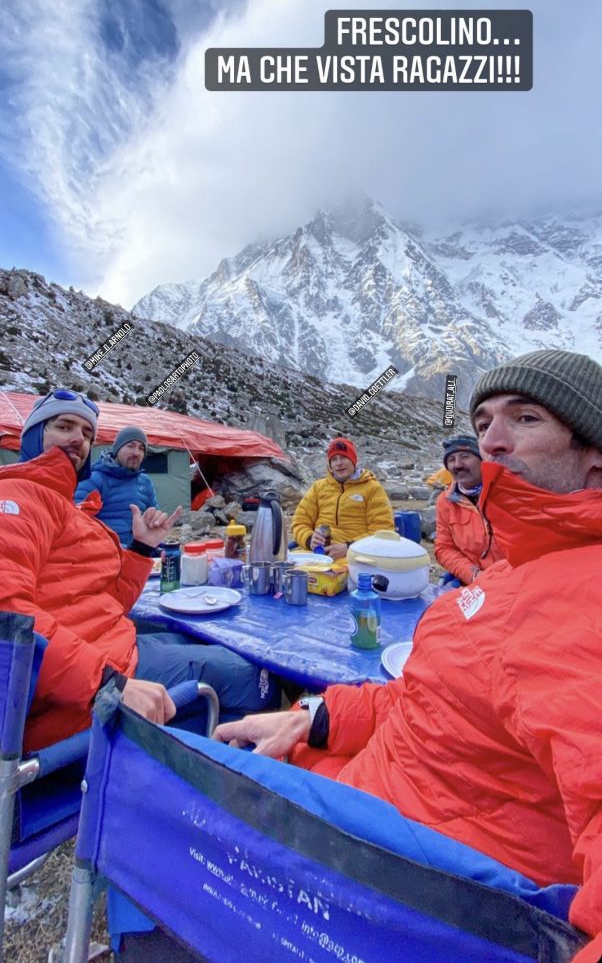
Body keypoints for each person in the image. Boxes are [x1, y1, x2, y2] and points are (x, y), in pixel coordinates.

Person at [215, 350, 602, 961]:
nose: (491, 442)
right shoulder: (519, 573)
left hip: (397, 885)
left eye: (526, 418)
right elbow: (434, 696)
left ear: (594, 457)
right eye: (482, 424)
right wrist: (317, 716)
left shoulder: (581, 602)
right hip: (375, 808)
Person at [0, 389, 278, 751]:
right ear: (35, 435)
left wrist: (142, 548)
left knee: (206, 642)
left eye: (87, 433)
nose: (78, 439)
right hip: (78, 692)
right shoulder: (10, 498)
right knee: (255, 678)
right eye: (64, 426)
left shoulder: (61, 502)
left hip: (103, 650)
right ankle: (198, 775)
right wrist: (105, 683)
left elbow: (104, 603)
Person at [291, 437, 394, 560]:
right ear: (330, 465)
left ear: (354, 460)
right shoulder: (318, 487)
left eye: (343, 457)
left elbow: (383, 532)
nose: (339, 463)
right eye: (334, 459)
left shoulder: (373, 489)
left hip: (355, 557)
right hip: (316, 555)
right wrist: (309, 540)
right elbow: (299, 522)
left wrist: (349, 548)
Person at [434, 433, 505, 584]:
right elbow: (444, 549)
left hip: (516, 579)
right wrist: (473, 575)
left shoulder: (508, 492)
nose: (458, 465)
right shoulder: (446, 502)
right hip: (475, 582)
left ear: (482, 460)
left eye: (465, 456)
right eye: (451, 460)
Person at [75, 425, 158, 546]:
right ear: (117, 449)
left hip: (139, 550)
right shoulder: (94, 479)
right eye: (130, 446)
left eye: (141, 448)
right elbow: (78, 525)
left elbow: (153, 520)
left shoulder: (145, 482)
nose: (136, 453)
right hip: (103, 551)